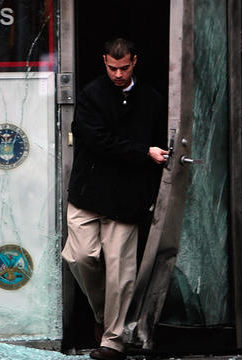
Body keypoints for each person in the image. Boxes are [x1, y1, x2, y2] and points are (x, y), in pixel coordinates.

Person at [61, 38, 168, 360]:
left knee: (122, 272)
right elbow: (96, 140)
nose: (118, 74)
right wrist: (142, 152)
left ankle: (113, 341)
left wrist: (148, 187)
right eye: (112, 67)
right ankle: (102, 316)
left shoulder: (151, 99)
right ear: (104, 61)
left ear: (135, 61)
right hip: (88, 193)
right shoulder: (91, 94)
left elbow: (161, 144)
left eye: (123, 68)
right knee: (79, 257)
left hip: (126, 197)